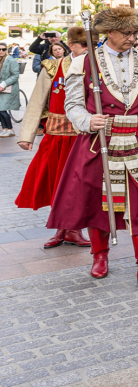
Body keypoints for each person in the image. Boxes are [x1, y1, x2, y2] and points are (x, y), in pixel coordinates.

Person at [48, 1, 138, 282]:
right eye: (126, 32)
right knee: (99, 203)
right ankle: (100, 257)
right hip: (99, 141)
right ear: (109, 31)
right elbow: (73, 104)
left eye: (135, 32)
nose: (132, 37)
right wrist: (87, 121)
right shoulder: (84, 62)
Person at [16, 36, 90, 248]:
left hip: (83, 136)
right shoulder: (52, 66)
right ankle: (61, 229)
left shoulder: (96, 68)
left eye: (89, 45)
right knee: (55, 185)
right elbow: (38, 99)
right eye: (83, 44)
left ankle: (74, 229)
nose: (86, 49)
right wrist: (27, 135)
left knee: (79, 185)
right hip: (56, 137)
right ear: (72, 45)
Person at [0, 43, 20, 137]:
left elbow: (15, 75)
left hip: (8, 87)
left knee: (2, 109)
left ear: (6, 50)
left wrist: (3, 84)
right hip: (1, 89)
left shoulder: (11, 60)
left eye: (3, 49)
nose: (1, 51)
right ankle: (5, 129)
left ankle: (10, 129)